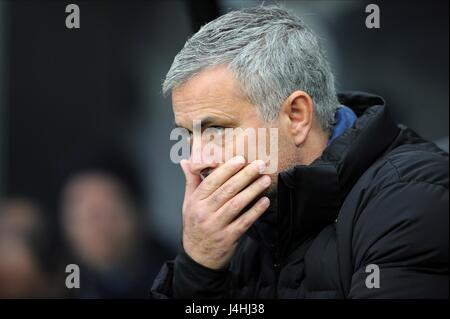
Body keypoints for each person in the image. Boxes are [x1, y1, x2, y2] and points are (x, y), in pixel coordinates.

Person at [151, 5, 448, 298]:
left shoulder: (410, 199)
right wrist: (198, 269)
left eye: (216, 130)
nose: (197, 160)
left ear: (297, 116)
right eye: (189, 134)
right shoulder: (239, 223)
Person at [59, 145, 169, 298]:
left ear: (138, 212)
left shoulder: (181, 277)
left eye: (110, 212)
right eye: (84, 216)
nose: (99, 229)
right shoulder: (59, 284)